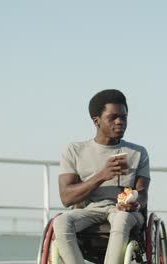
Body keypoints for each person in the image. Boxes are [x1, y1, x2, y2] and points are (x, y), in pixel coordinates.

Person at [53, 89, 150, 264]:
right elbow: (66, 198)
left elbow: (142, 193)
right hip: (88, 210)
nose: (120, 121)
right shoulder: (74, 151)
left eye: (124, 117)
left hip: (126, 212)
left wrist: (134, 202)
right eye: (112, 117)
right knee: (60, 222)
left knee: (121, 218)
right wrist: (103, 175)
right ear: (96, 121)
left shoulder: (138, 152)